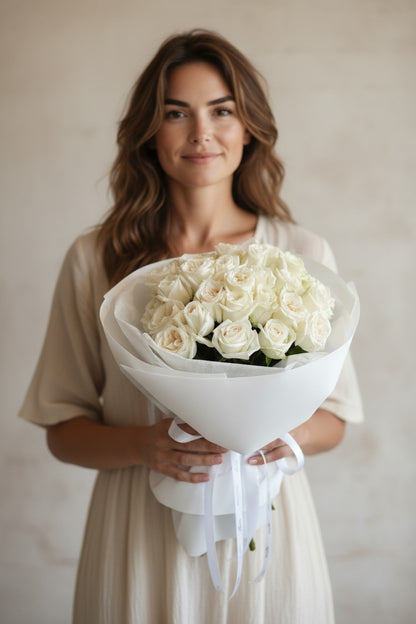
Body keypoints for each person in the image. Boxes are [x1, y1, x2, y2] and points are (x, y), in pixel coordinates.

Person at [19, 29, 363, 624]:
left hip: (269, 527)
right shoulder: (95, 259)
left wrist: (279, 439)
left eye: (221, 111)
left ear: (248, 125)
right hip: (137, 532)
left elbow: (335, 417)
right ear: (149, 132)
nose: (201, 133)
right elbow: (62, 427)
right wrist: (143, 447)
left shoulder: (301, 253)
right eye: (176, 113)